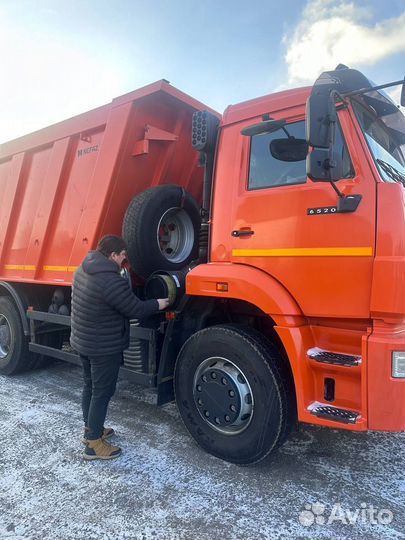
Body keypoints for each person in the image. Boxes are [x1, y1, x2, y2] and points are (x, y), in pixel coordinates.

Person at [70, 235, 169, 460]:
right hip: (103, 347)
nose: (125, 258)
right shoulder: (110, 280)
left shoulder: (83, 269)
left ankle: (91, 429)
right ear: (112, 255)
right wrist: (158, 304)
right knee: (102, 392)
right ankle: (94, 445)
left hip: (83, 341)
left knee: (90, 386)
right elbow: (134, 309)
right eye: (123, 254)